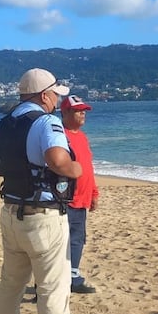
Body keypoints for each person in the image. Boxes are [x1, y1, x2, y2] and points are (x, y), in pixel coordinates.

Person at [0, 68, 91, 314]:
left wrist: (16, 167)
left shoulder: (2, 124)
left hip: (11, 213)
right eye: (56, 95)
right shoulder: (46, 121)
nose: (57, 100)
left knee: (11, 286)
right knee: (53, 290)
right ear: (44, 95)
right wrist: (76, 168)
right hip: (43, 216)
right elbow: (57, 160)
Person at [60, 94, 99, 293]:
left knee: (77, 240)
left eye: (84, 110)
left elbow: (88, 167)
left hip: (82, 199)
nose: (83, 113)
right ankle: (48, 283)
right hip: (64, 200)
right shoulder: (60, 136)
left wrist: (93, 193)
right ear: (65, 112)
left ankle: (73, 278)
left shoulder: (82, 137)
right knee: (58, 244)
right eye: (78, 110)